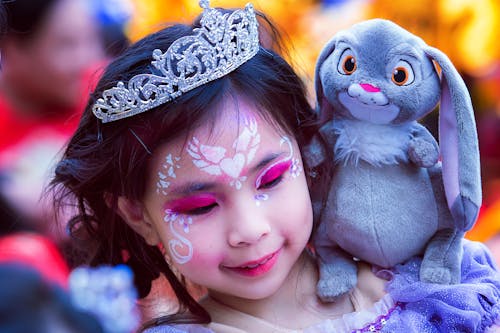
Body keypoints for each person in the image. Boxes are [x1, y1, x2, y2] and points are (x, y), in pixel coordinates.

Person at [50, 1, 500, 332]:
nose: (250, 228)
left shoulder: (441, 286)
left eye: (271, 178)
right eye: (201, 206)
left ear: (308, 154)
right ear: (137, 215)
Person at [0, 0, 106, 235]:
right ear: (13, 49)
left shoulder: (109, 96)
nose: (88, 59)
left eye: (92, 39)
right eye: (67, 45)